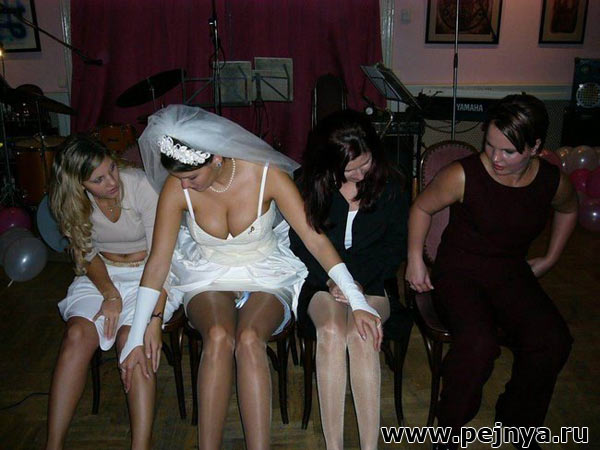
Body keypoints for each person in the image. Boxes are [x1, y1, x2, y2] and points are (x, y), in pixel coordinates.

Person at [118, 105, 383, 450]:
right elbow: (157, 263)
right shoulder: (176, 187)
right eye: (179, 178)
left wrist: (357, 300)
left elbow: (315, 240)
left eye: (191, 177)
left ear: (216, 158)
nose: (183, 184)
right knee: (217, 336)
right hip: (208, 272)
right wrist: (136, 336)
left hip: (266, 271)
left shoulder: (267, 175)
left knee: (248, 339)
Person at [405, 94, 577, 449]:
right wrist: (415, 259)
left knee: (553, 340)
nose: (495, 158)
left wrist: (550, 258)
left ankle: (516, 421)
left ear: (535, 147)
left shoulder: (551, 181)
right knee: (478, 345)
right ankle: (449, 428)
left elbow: (569, 208)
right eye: (490, 145)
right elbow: (421, 208)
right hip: (459, 273)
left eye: (508, 151)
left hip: (511, 272)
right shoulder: (463, 174)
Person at [45, 135, 180, 450]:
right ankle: (53, 444)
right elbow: (86, 254)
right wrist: (110, 294)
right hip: (102, 274)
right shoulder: (70, 202)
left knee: (132, 341)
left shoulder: (140, 185)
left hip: (151, 273)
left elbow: (161, 259)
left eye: (112, 170)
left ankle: (140, 446)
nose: (112, 182)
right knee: (76, 335)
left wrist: (154, 319)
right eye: (99, 180)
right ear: (78, 185)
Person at [289, 109, 409, 450]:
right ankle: (334, 445)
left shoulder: (392, 183)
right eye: (349, 168)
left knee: (361, 334)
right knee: (330, 331)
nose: (359, 174)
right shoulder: (307, 183)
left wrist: (358, 283)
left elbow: (395, 245)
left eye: (364, 162)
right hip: (320, 280)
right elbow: (299, 243)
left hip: (373, 280)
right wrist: (332, 280)